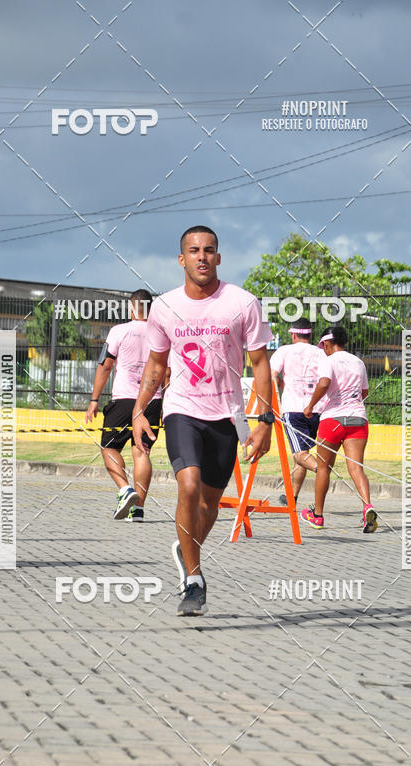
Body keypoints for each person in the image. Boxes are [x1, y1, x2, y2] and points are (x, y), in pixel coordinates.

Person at [132, 226, 274, 616]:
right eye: (194, 251)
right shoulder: (165, 306)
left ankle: (187, 548)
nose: (202, 257)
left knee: (210, 503)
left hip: (227, 415)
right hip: (182, 409)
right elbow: (156, 365)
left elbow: (261, 364)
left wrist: (265, 422)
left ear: (219, 257)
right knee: (189, 484)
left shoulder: (243, 303)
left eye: (209, 250)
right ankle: (193, 580)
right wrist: (140, 409)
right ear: (182, 259)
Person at [85, 289, 163, 522]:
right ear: (150, 309)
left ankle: (124, 489)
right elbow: (167, 371)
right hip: (151, 400)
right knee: (142, 451)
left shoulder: (119, 331)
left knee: (109, 448)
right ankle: (138, 509)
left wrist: (94, 399)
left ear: (131, 309)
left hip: (124, 400)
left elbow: (105, 366)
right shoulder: (160, 334)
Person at [300, 325, 377, 533]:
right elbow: (364, 392)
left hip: (332, 420)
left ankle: (317, 516)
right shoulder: (358, 362)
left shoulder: (329, 361)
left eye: (323, 345)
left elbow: (324, 383)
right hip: (358, 419)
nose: (323, 349)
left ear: (327, 342)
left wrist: (310, 406)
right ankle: (367, 507)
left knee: (323, 467)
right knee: (356, 468)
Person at [270, 317, 326, 506]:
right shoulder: (321, 353)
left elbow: (272, 375)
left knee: (299, 454)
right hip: (317, 409)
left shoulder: (284, 351)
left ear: (293, 335)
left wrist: (277, 393)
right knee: (303, 452)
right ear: (310, 335)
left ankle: (322, 471)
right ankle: (292, 496)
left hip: (293, 409)